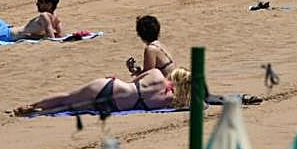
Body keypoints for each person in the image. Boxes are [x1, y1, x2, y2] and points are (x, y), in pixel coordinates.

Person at [13, 66, 190, 116]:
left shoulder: (156, 74)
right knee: (71, 106)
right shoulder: (168, 101)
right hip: (114, 106)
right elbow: (195, 104)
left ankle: (34, 105)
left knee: (68, 97)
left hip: (113, 87)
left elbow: (133, 81)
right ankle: (39, 110)